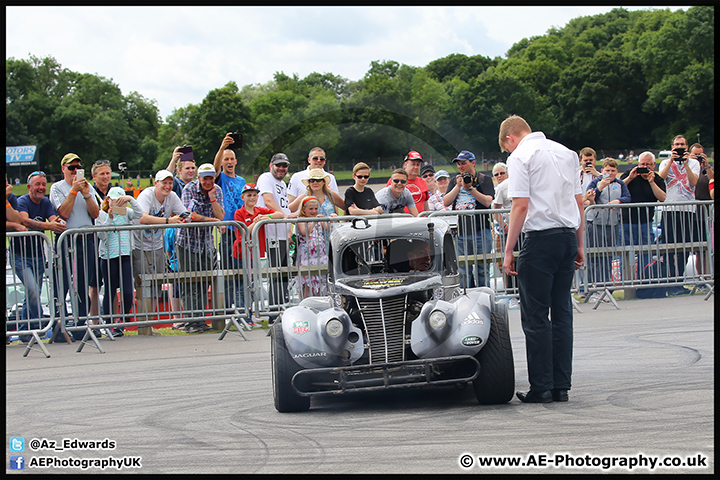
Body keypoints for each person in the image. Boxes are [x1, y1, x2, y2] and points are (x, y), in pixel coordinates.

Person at [500, 115, 585, 404]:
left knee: (536, 315)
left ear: (510, 138)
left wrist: (509, 249)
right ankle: (561, 385)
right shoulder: (566, 152)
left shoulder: (521, 156)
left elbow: (520, 205)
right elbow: (578, 201)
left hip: (540, 239)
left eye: (506, 148)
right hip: (566, 236)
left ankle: (542, 386)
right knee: (562, 313)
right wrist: (580, 243)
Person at [49, 153, 101, 333]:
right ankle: (60, 324)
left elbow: (95, 214)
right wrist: (73, 190)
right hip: (67, 240)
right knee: (63, 282)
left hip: (86, 239)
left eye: (78, 168)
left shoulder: (88, 187)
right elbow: (63, 212)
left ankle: (81, 323)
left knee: (83, 282)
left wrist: (86, 194)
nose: (75, 172)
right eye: (71, 168)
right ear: (63, 169)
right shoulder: (57, 187)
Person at [133, 169, 190, 324]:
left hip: (157, 245)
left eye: (170, 183)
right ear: (156, 183)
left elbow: (185, 214)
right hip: (139, 245)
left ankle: (149, 323)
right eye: (164, 183)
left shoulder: (172, 196)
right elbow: (141, 217)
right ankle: (144, 324)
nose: (167, 186)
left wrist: (188, 217)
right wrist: (168, 221)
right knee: (143, 285)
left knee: (157, 285)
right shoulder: (146, 195)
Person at [12, 171, 66, 335]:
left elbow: (52, 219)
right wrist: (49, 226)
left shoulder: (45, 202)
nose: (41, 187)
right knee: (33, 290)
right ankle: (36, 326)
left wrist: (58, 222)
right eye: (38, 184)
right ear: (29, 187)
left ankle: (27, 330)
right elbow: (24, 220)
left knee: (33, 293)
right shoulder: (22, 201)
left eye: (43, 184)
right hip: (20, 255)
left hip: (38, 255)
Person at [177, 163, 224, 332]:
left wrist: (212, 199)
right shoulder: (189, 189)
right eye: (205, 178)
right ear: (199, 178)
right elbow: (189, 216)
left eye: (211, 178)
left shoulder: (217, 190)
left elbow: (221, 216)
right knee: (190, 282)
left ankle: (202, 320)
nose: (208, 182)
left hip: (206, 243)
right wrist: (211, 221)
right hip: (188, 242)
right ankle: (191, 322)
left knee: (204, 282)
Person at [96, 186, 144, 337]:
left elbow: (139, 214)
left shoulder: (126, 213)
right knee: (110, 291)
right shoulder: (101, 214)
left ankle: (121, 323)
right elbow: (102, 236)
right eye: (116, 201)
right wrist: (110, 218)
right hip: (109, 256)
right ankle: (109, 324)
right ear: (108, 200)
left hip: (125, 254)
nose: (119, 204)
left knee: (128, 292)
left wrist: (131, 200)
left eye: (121, 201)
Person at [443, 150, 495, 288]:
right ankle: (466, 300)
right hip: (461, 232)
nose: (461, 167)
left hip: (481, 230)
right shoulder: (455, 180)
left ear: (472, 163)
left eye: (463, 163)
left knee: (482, 269)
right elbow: (446, 201)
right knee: (463, 270)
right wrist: (458, 186)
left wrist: (470, 188)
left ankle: (484, 298)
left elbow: (487, 202)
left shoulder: (485, 179)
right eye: (459, 164)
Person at [657, 135, 700, 292]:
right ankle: (669, 280)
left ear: (686, 147)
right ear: (672, 147)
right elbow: (660, 179)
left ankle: (679, 282)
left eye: (682, 144)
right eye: (677, 145)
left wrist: (686, 164)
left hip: (688, 210)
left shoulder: (694, 162)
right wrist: (671, 161)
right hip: (670, 209)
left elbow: (693, 181)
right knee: (668, 247)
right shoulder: (665, 162)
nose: (679, 147)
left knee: (685, 247)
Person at [584, 158, 631, 297]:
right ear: (602, 170)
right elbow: (589, 197)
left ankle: (605, 287)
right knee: (595, 256)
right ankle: (593, 289)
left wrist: (619, 201)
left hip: (613, 224)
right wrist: (600, 187)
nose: (609, 173)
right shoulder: (595, 182)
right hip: (596, 224)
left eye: (612, 171)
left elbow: (628, 197)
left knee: (608, 256)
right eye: (607, 170)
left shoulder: (620, 183)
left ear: (616, 171)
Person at [619, 151, 666, 281]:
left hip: (646, 221)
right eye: (642, 164)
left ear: (654, 165)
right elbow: (617, 189)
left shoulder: (657, 179)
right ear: (638, 164)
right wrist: (630, 178)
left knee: (645, 250)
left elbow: (662, 198)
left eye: (648, 165)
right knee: (625, 252)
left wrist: (651, 182)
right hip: (626, 220)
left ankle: (644, 278)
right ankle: (626, 281)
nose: (645, 167)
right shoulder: (630, 174)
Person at [213, 133, 247, 310]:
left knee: (241, 271)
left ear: (235, 161)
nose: (229, 161)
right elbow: (215, 168)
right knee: (227, 271)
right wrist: (221, 148)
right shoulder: (220, 178)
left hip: (240, 230)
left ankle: (242, 308)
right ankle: (227, 308)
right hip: (227, 229)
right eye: (226, 159)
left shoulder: (241, 180)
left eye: (232, 158)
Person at [257, 153, 294, 309]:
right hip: (271, 234)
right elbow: (268, 200)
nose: (281, 168)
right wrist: (284, 217)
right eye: (278, 165)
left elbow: (285, 206)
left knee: (284, 274)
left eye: (284, 166)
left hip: (282, 235)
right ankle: (274, 312)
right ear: (271, 165)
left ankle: (282, 308)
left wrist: (288, 230)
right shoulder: (266, 178)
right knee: (276, 274)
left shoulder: (283, 184)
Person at [295, 197, 330, 298]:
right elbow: (305, 232)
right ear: (304, 209)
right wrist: (313, 221)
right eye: (311, 209)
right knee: (308, 281)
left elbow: (329, 228)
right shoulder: (301, 220)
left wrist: (328, 219)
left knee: (320, 282)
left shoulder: (319, 220)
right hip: (307, 256)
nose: (314, 211)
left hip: (320, 255)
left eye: (316, 209)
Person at [690, 143, 712, 280]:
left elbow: (713, 179)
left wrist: (706, 165)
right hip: (693, 213)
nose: (697, 158)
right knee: (698, 250)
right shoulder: (689, 168)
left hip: (708, 213)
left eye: (700, 154)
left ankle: (708, 276)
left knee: (707, 249)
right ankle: (700, 277)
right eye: (695, 154)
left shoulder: (706, 169)